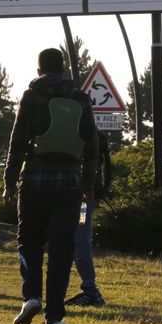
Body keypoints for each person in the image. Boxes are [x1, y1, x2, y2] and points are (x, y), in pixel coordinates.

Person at [3, 48, 98, 324]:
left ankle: (31, 296)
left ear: (38, 69)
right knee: (61, 248)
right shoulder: (80, 98)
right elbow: (91, 144)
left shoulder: (32, 96)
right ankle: (54, 317)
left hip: (33, 180)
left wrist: (9, 182)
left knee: (29, 241)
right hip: (69, 183)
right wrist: (89, 185)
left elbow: (17, 142)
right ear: (65, 68)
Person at [65, 130, 109, 308]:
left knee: (80, 240)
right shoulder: (93, 135)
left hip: (82, 200)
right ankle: (89, 290)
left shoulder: (77, 136)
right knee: (79, 239)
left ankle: (90, 291)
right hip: (84, 199)